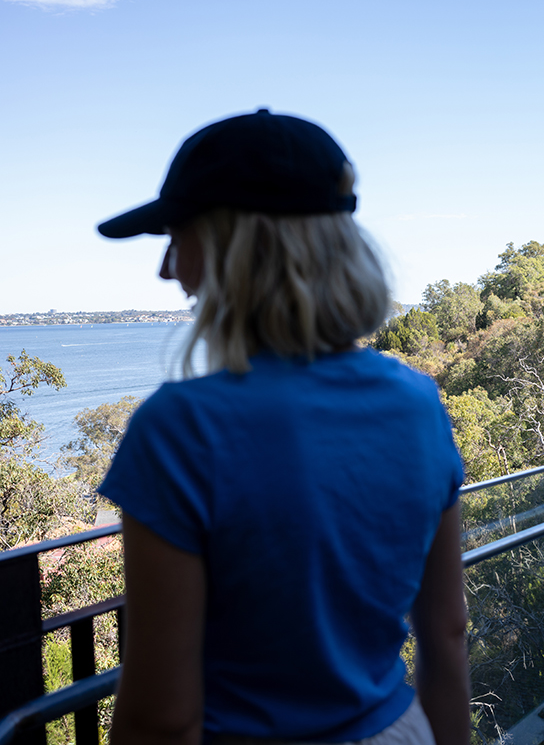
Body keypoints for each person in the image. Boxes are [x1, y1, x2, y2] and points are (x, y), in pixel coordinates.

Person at [96, 109, 470, 745]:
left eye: (176, 235)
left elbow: (163, 719)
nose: (165, 268)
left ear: (234, 249)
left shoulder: (182, 428)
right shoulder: (417, 400)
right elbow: (447, 633)